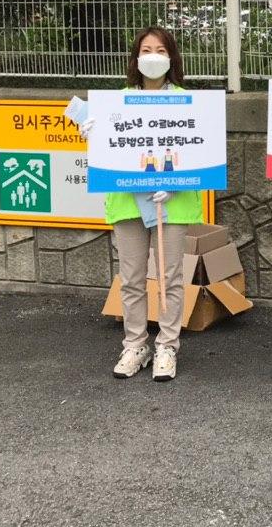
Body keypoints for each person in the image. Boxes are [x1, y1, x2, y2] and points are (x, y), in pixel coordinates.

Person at [80, 26, 203, 383]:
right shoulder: (114, 103)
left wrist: (176, 182)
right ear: (136, 57)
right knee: (132, 278)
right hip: (127, 200)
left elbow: (198, 151)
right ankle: (135, 344)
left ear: (171, 58)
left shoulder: (186, 101)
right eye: (146, 49)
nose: (153, 56)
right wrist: (92, 134)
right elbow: (107, 152)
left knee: (170, 278)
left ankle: (167, 346)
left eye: (160, 50)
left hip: (172, 203)